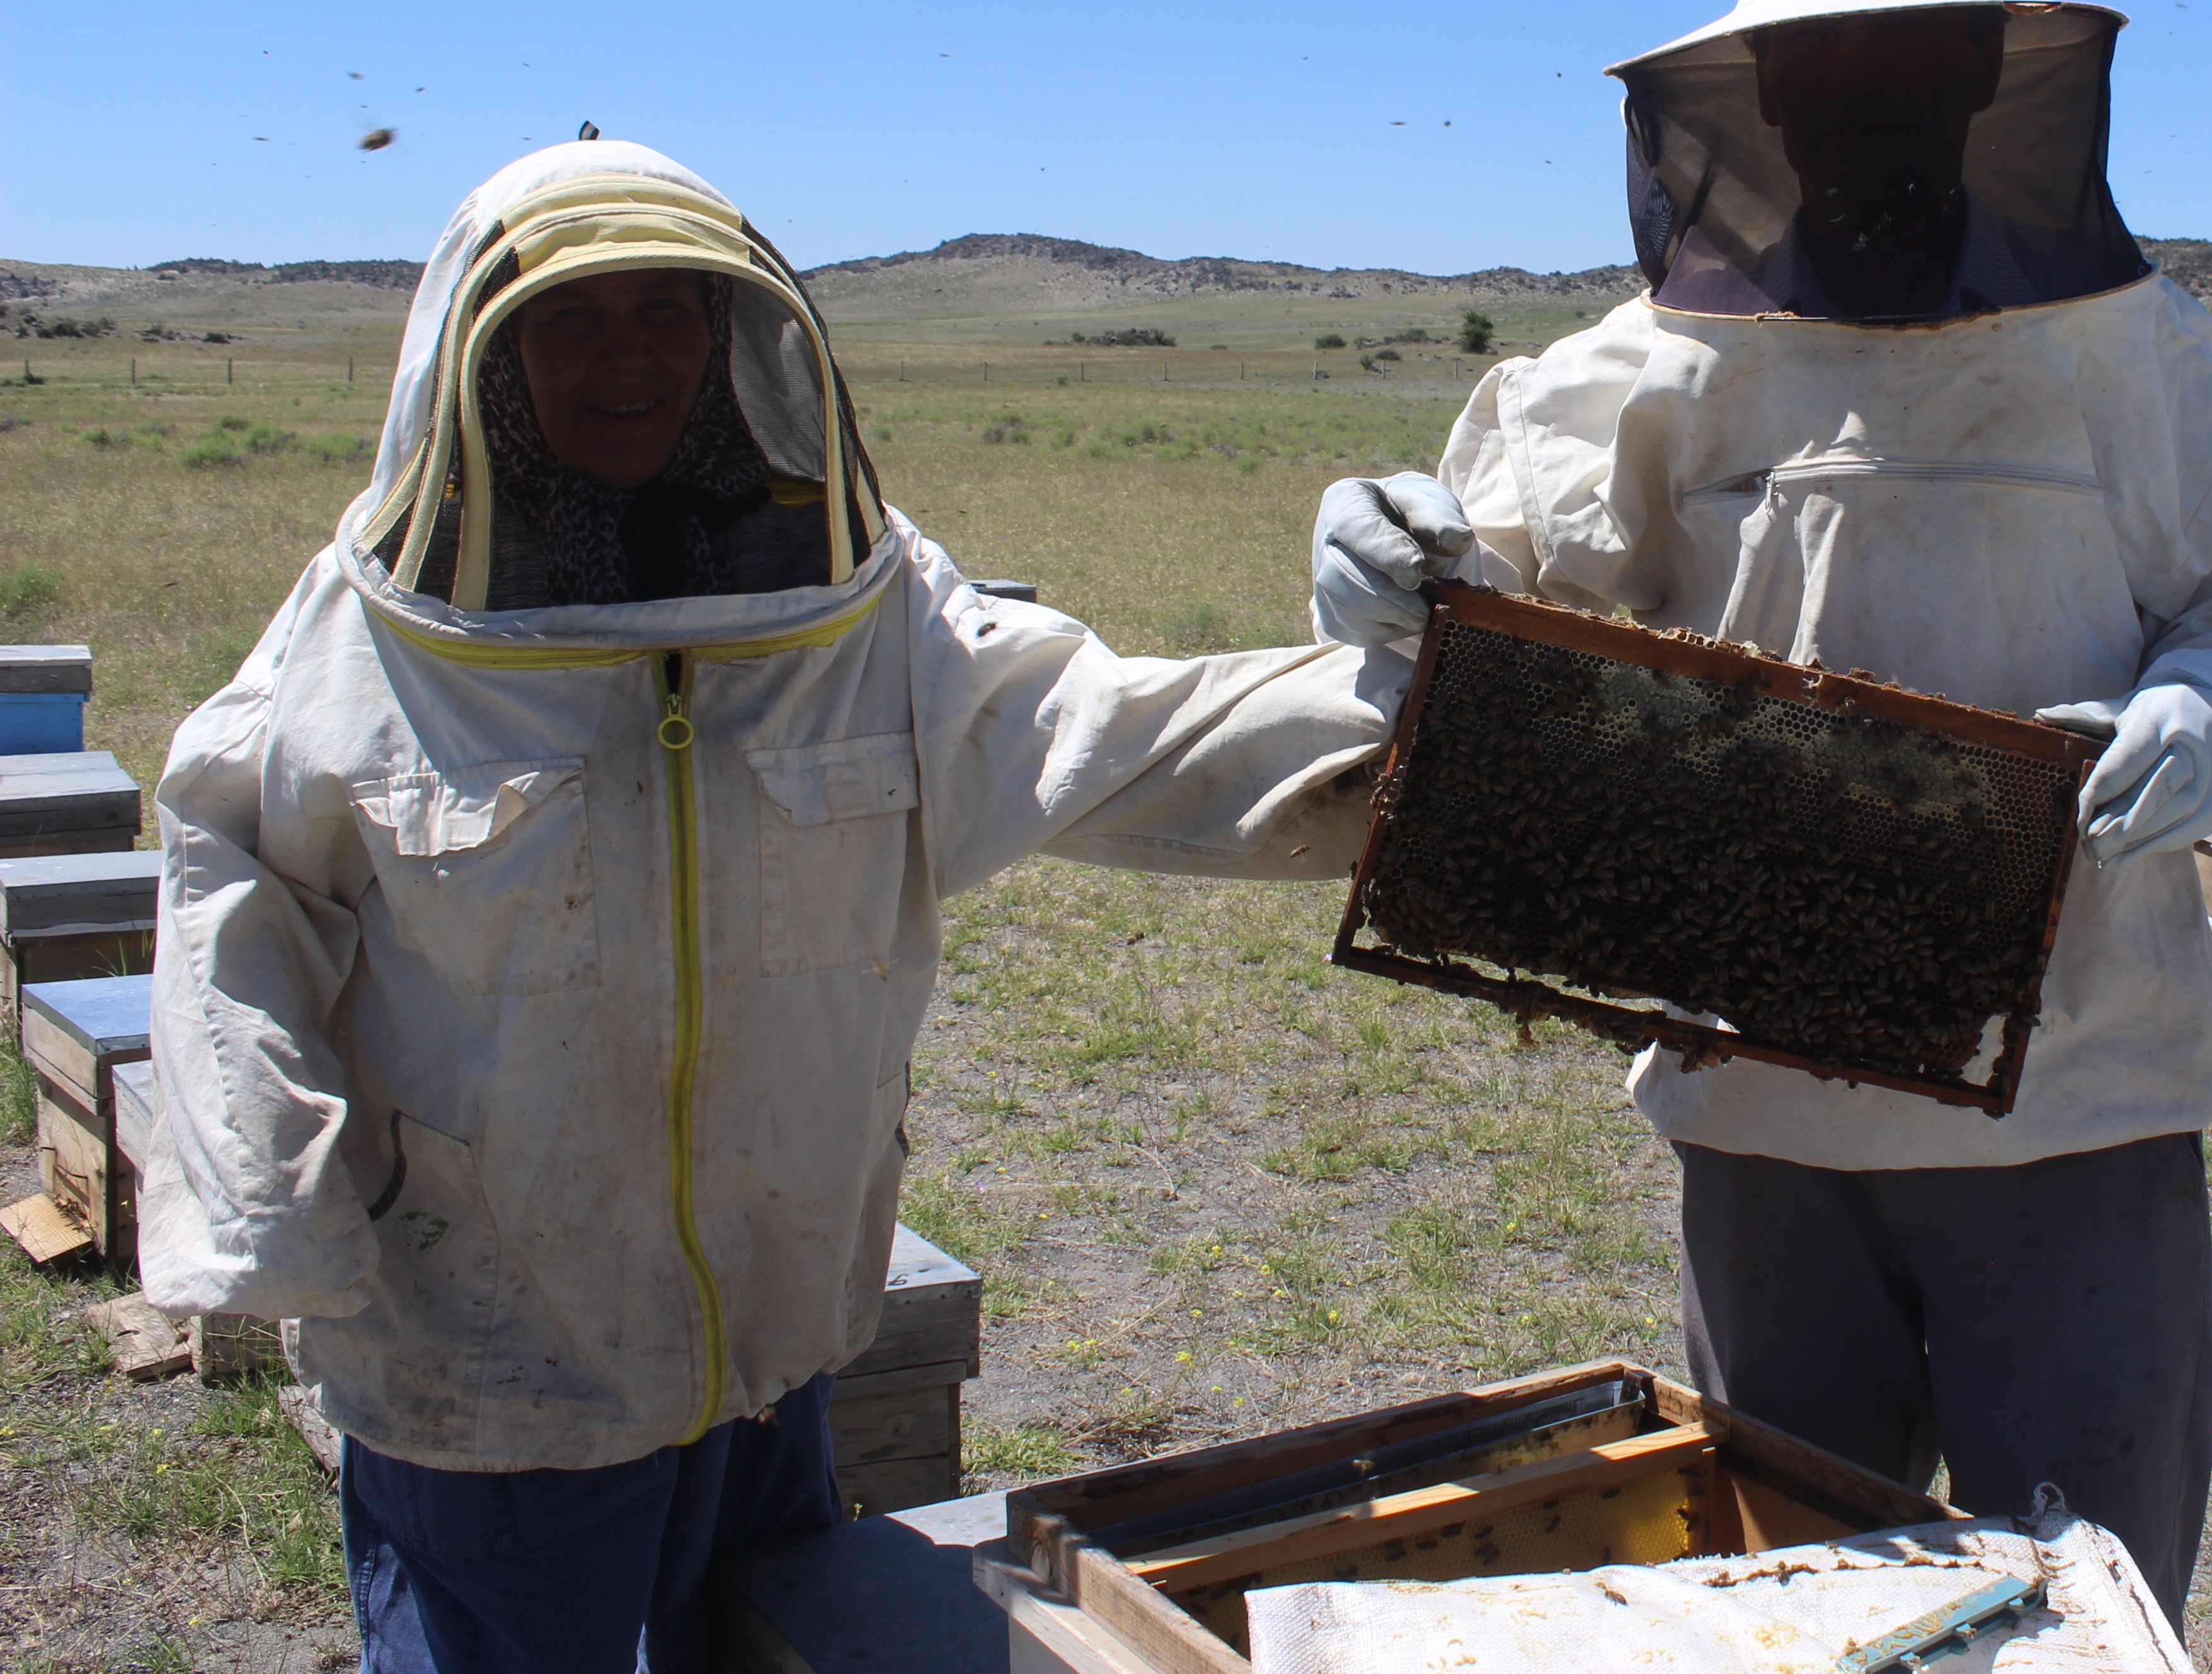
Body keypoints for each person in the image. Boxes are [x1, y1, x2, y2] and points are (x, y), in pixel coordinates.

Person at [140, 137, 1405, 1672]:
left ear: (735, 337)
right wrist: (281, 1225)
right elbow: (232, 909)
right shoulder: (370, 643)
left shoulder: (861, 603)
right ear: (483, 356)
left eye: (670, 312)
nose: (631, 356)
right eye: (574, 321)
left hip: (775, 1334)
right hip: (490, 1358)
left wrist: (1406, 698)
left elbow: (1109, 739)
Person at [1310, 0, 2212, 1632]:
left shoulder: (2128, 349)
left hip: (2081, 1107)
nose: (1862, 102)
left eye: (1907, 63)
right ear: (1759, 96)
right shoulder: (1649, 362)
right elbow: (1514, 624)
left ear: (1981, 82)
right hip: (1765, 1109)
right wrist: (1397, 573)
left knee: (2083, 1614)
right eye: (1823, 68)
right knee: (1779, 1614)